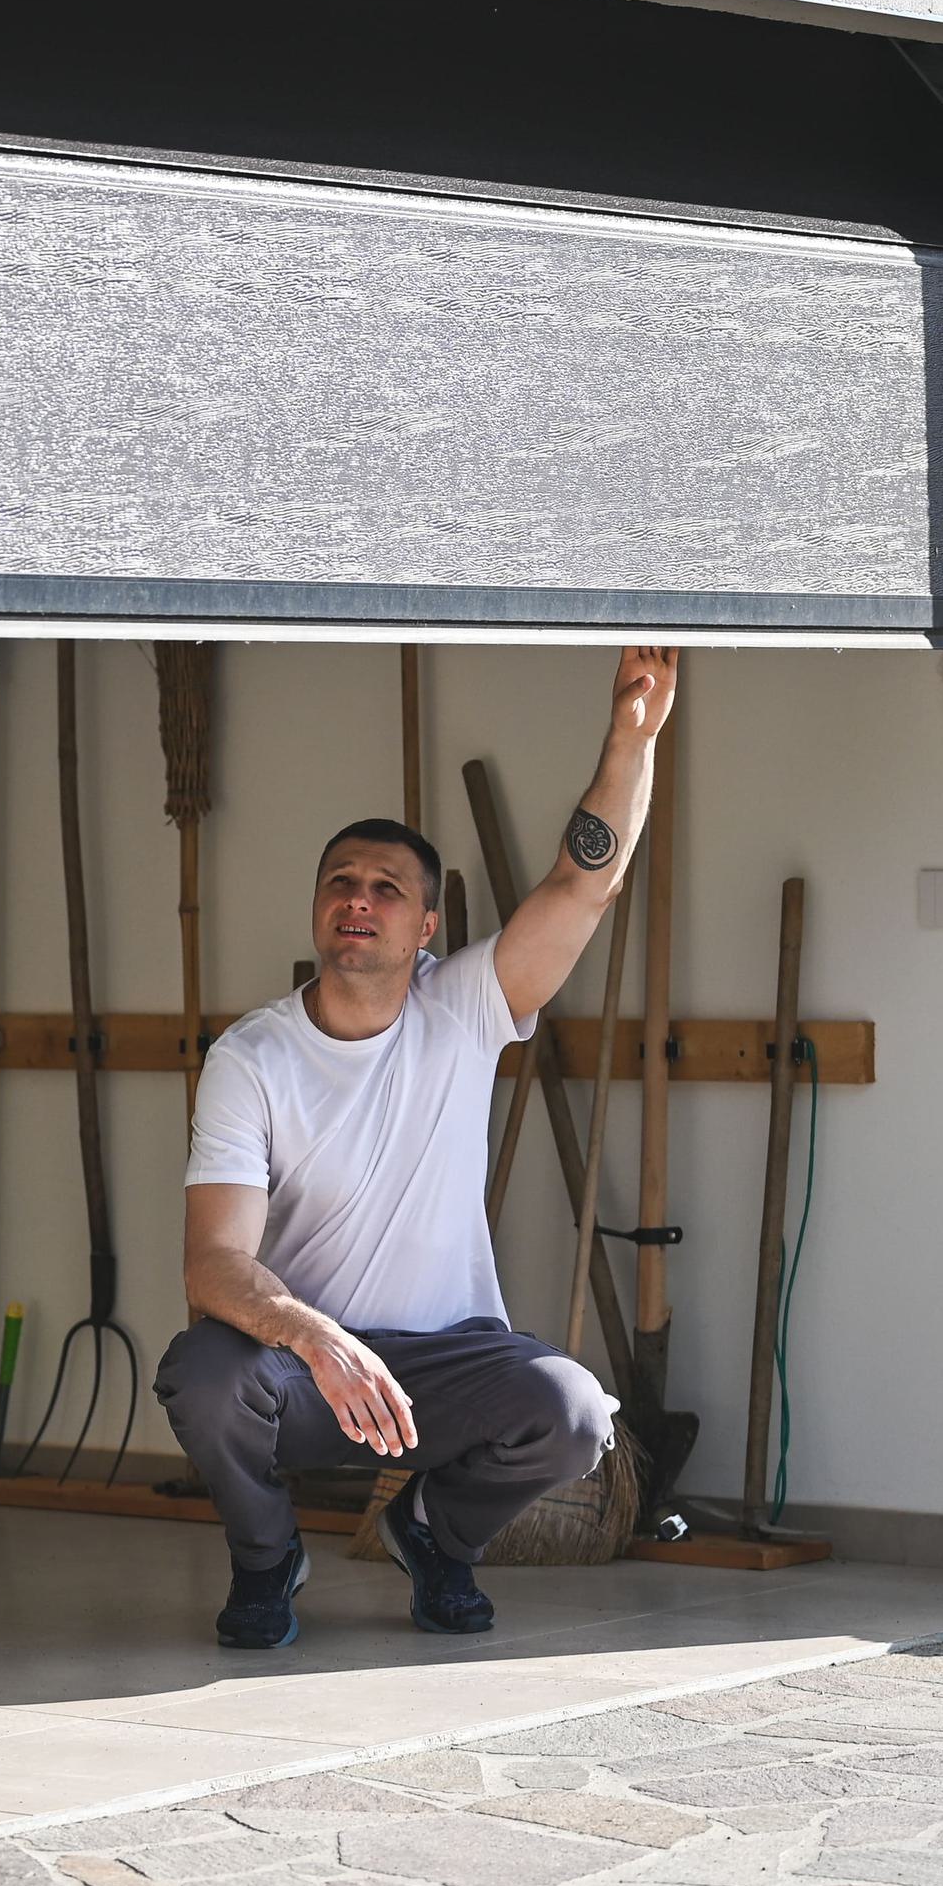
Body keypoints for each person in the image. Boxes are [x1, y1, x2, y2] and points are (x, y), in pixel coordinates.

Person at [158, 645, 677, 1649]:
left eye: (387, 887)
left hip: (445, 1362)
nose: (359, 896)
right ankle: (266, 1560)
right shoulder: (251, 1056)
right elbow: (212, 1262)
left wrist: (631, 740)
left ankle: (433, 1533)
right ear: (318, 907)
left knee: (574, 1411)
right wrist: (313, 1337)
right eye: (341, 881)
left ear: (427, 924)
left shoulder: (464, 1006)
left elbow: (584, 886)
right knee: (203, 1374)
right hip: (300, 1367)